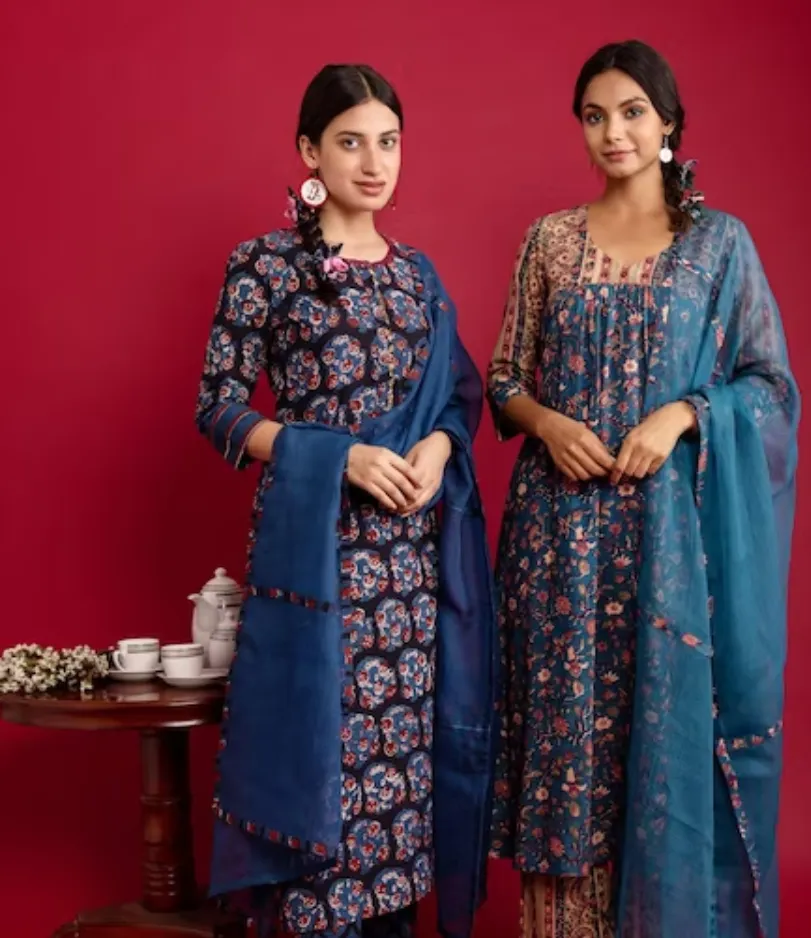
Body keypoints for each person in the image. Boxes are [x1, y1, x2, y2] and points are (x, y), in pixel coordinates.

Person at [487, 39, 799, 938]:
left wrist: (685, 415)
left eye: (631, 112)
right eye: (595, 116)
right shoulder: (550, 240)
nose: (612, 132)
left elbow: (770, 389)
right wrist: (548, 425)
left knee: (659, 752)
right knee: (566, 759)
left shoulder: (718, 245)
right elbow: (503, 380)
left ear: (668, 123)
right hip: (557, 547)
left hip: (668, 553)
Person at [195, 63, 496, 938]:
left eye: (388, 142)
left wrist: (440, 448)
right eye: (351, 141)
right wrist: (340, 457)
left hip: (410, 579)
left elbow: (458, 399)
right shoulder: (264, 266)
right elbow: (218, 408)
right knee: (318, 776)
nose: (374, 162)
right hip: (315, 566)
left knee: (397, 787)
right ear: (309, 152)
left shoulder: (418, 277)